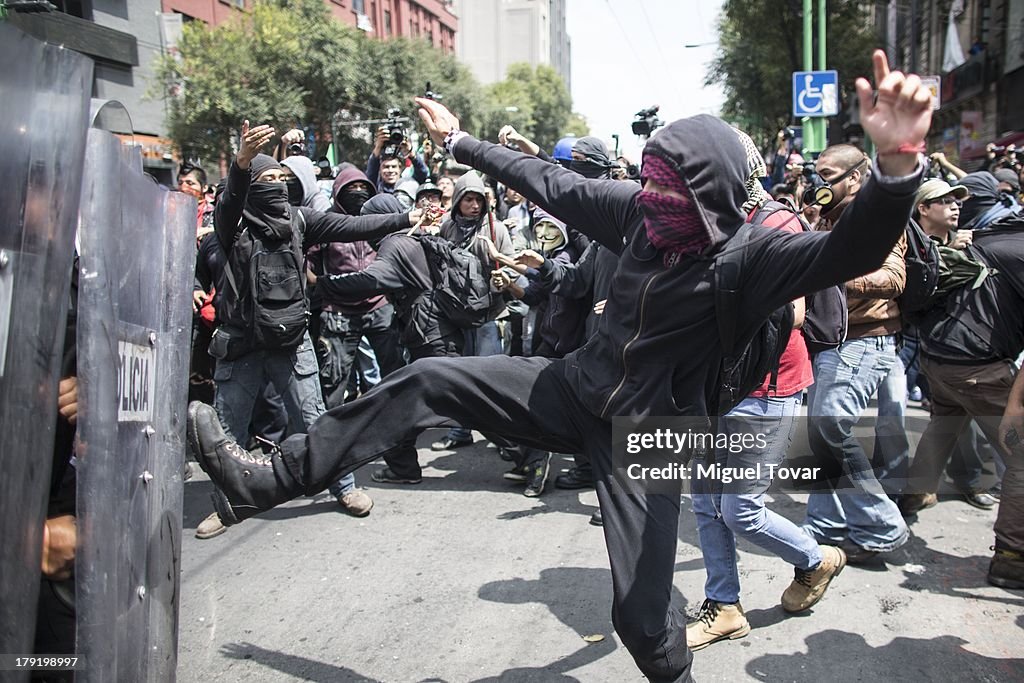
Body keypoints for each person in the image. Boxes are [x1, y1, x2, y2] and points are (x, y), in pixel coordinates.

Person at [187, 52, 931, 682]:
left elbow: (852, 252)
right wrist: (464, 142)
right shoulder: (639, 211)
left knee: (642, 622)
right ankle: (269, 478)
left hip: (647, 439)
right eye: (651, 177)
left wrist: (896, 171)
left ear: (709, 196)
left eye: (671, 185)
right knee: (429, 377)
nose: (653, 195)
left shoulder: (751, 256)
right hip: (572, 387)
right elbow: (548, 181)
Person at [205, 121, 421, 521]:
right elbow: (231, 198)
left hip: (291, 339)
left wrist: (408, 217)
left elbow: (354, 224)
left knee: (316, 418)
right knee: (223, 433)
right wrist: (240, 162)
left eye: (280, 178)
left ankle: (345, 489)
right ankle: (225, 506)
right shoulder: (232, 225)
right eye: (265, 177)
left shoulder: (300, 220)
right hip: (241, 344)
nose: (275, 184)